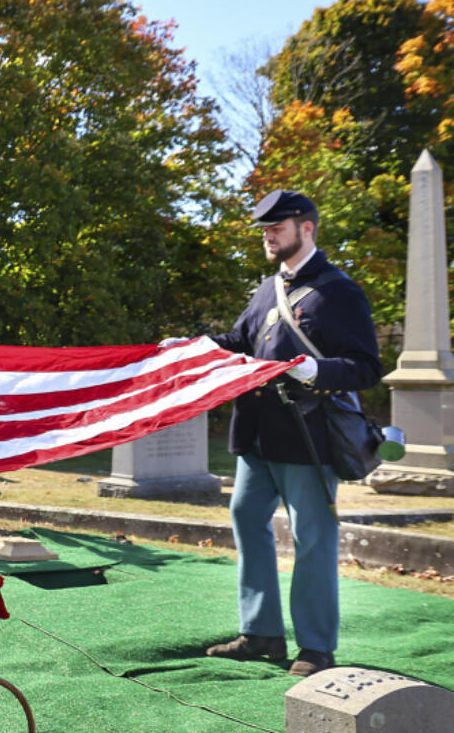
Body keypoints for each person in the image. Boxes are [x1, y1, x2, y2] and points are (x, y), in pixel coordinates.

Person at [195, 189, 380, 678]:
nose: (268, 235)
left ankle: (316, 647)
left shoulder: (339, 290)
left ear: (308, 229)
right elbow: (240, 342)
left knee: (312, 538)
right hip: (256, 436)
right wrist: (194, 348)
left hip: (308, 437)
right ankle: (261, 634)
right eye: (265, 229)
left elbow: (366, 368)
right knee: (245, 518)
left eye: (277, 227)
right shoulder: (265, 289)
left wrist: (317, 370)